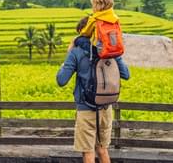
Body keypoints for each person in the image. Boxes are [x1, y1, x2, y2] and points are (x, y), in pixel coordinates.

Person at [56, 16, 130, 163]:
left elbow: (61, 80)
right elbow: (126, 75)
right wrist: (115, 55)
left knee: (88, 152)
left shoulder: (76, 52)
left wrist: (68, 55)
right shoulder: (110, 51)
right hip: (105, 107)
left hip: (85, 108)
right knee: (102, 150)